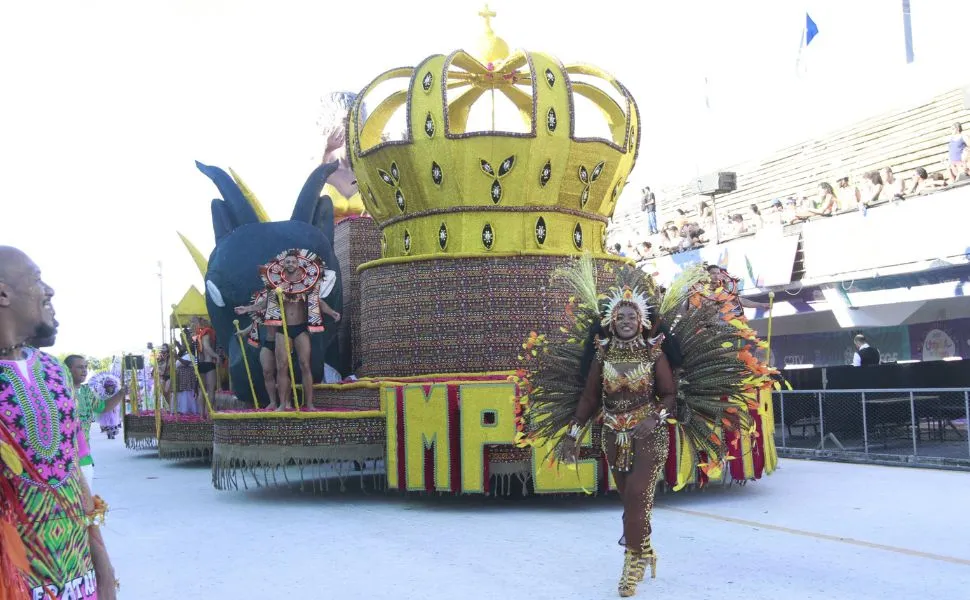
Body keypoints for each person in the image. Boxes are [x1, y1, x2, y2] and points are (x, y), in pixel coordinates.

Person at [521, 256, 774, 598]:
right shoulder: (601, 354)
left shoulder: (655, 354)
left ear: (641, 321)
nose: (625, 321)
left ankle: (631, 563)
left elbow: (669, 394)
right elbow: (589, 399)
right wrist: (572, 434)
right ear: (611, 322)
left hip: (649, 435)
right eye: (620, 317)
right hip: (612, 435)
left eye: (631, 316)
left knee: (639, 494)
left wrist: (654, 418)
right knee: (629, 499)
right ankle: (646, 548)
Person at [0, 245, 117, 599]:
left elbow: (71, 468)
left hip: (76, 573)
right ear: (3, 293)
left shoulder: (54, 370)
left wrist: (103, 566)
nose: (48, 290)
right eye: (36, 279)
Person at [244, 249, 341, 410]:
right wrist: (247, 309)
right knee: (282, 367)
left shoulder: (306, 283)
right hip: (283, 329)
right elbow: (265, 303)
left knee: (305, 365)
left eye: (293, 262)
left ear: (298, 264)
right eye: (287, 262)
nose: (290, 264)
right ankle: (282, 404)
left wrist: (331, 312)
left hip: (301, 328)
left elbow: (318, 301)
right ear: (283, 264)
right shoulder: (276, 285)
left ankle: (309, 404)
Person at [64, 355, 126, 484]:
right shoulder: (59, 391)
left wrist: (120, 394)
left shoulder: (86, 391)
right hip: (63, 460)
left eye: (86, 367)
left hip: (85, 457)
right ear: (67, 369)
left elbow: (102, 407)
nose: (84, 370)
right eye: (80, 367)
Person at [235, 290, 280, 410]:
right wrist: (244, 332)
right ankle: (273, 402)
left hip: (284, 340)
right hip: (269, 341)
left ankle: (286, 402)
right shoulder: (267, 300)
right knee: (267, 371)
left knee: (283, 371)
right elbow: (258, 320)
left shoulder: (284, 297)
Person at [190, 317, 219, 418]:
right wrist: (216, 356)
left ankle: (202, 414)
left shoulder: (197, 335)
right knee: (211, 390)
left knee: (202, 391)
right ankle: (210, 414)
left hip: (200, 365)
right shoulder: (207, 333)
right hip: (209, 364)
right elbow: (207, 347)